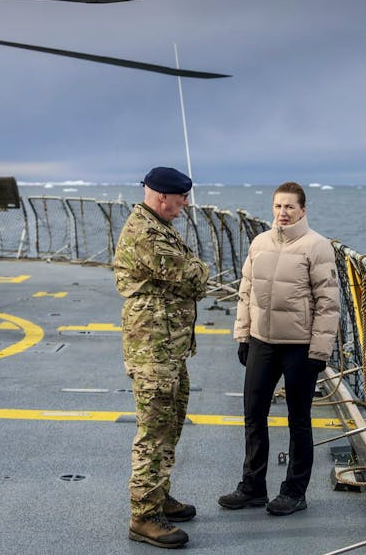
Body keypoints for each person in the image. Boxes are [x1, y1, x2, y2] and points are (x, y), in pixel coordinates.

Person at [218, 181, 340, 516]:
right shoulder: (259, 242)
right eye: (277, 206)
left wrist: (319, 350)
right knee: (254, 413)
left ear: (303, 210)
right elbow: (246, 292)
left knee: (298, 419)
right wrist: (242, 335)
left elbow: (328, 304)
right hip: (261, 342)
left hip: (299, 347)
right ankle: (253, 486)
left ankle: (294, 492)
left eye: (289, 207)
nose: (282, 213)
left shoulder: (317, 247)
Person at [113, 166, 209, 548]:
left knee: (170, 424)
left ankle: (159, 496)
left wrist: (194, 271)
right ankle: (143, 516)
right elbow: (191, 276)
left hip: (168, 348)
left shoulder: (159, 226)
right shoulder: (146, 233)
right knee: (153, 432)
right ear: (161, 196)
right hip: (153, 349)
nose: (185, 204)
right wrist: (200, 270)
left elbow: (186, 274)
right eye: (181, 197)